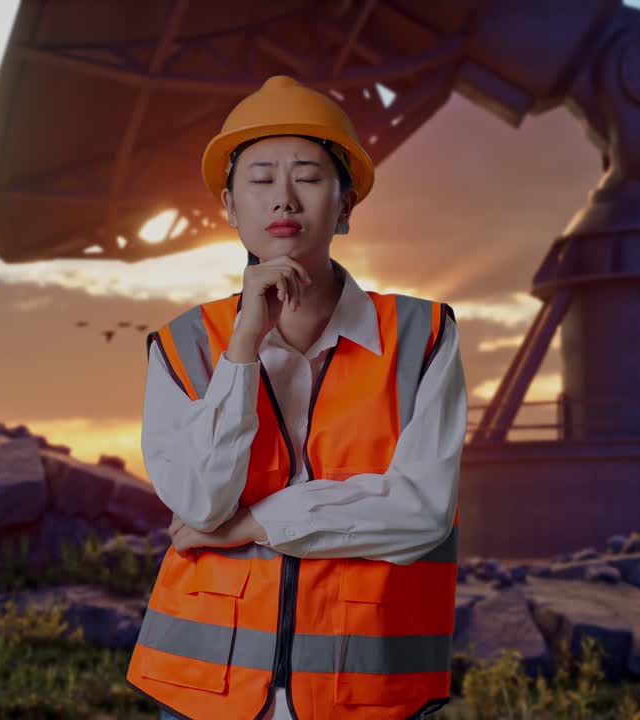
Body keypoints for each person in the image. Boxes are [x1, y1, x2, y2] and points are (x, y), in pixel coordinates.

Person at [125, 75, 468, 720]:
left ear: (344, 206)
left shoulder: (422, 337)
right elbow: (200, 500)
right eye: (259, 178)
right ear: (229, 207)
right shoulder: (184, 345)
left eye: (308, 175)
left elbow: (423, 511)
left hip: (366, 689)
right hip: (202, 691)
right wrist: (243, 349)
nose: (282, 195)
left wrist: (253, 525)